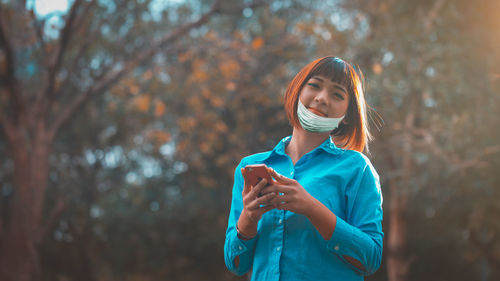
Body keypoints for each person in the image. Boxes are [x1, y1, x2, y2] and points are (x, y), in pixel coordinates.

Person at [224, 56, 384, 281]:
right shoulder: (249, 168)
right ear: (298, 91)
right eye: (314, 86)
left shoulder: (357, 169)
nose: (321, 98)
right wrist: (249, 218)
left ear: (347, 117)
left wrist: (311, 207)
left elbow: (371, 259)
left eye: (337, 94)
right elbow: (236, 264)